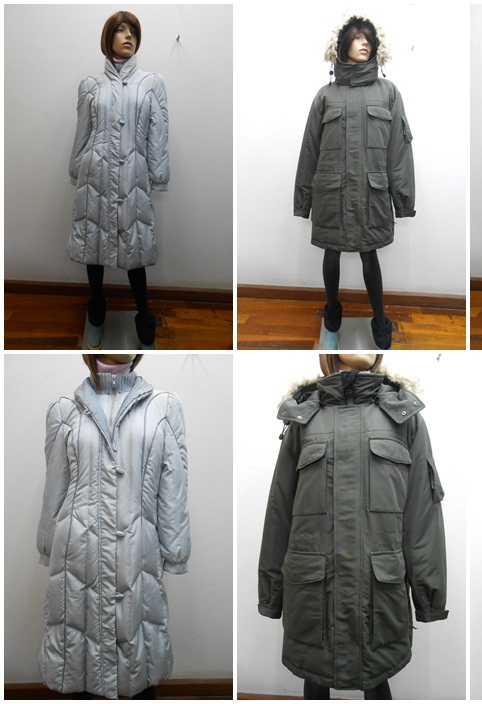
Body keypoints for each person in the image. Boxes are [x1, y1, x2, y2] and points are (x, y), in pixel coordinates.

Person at [258, 354, 447, 699]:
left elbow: (422, 513)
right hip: (314, 591)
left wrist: (429, 595)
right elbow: (280, 509)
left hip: (378, 591)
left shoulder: (403, 416)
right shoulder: (303, 416)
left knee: (376, 678)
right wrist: (271, 592)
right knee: (315, 675)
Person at [37, 354, 190, 699]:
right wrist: (47, 544)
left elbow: (174, 485)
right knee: (79, 657)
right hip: (77, 556)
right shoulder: (64, 410)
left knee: (136, 654)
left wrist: (175, 548)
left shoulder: (164, 407)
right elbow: (55, 487)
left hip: (136, 554)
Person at [294, 16, 415, 350]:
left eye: (369, 39)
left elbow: (399, 150)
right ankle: (332, 312)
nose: (365, 43)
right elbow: (309, 149)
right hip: (331, 194)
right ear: (342, 44)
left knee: (369, 255)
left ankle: (380, 318)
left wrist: (403, 199)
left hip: (370, 194)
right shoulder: (325, 96)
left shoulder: (388, 92)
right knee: (330, 254)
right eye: (358, 37)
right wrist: (303, 201)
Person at [68, 12, 170, 350]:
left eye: (133, 32)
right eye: (121, 30)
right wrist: (76, 168)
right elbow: (83, 131)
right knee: (93, 246)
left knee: (134, 248)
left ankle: (144, 319)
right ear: (107, 37)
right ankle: (96, 313)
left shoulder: (151, 83)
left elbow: (159, 133)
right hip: (94, 175)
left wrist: (158, 174)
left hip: (132, 177)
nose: (128, 36)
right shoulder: (90, 85)